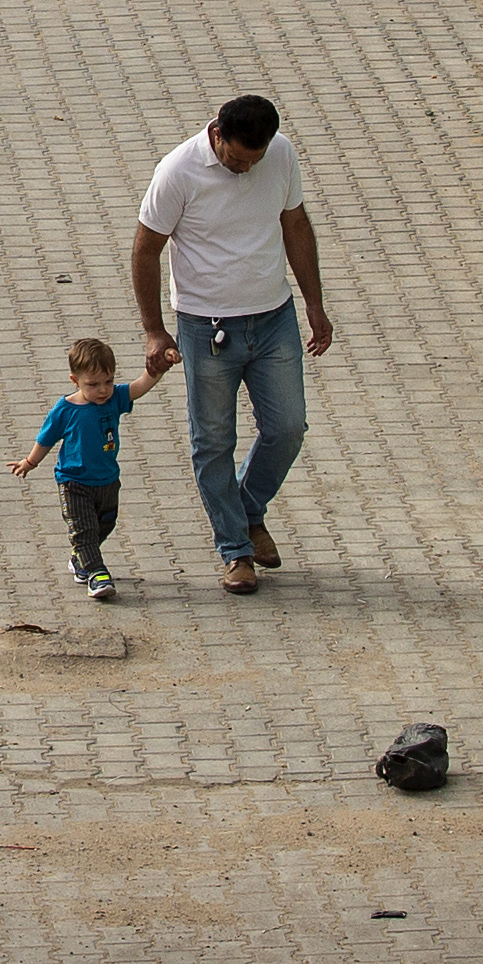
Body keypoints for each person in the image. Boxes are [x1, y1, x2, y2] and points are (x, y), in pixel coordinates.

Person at [133, 94, 334, 595]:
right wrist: (155, 329)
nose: (246, 169)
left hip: (273, 318)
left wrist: (314, 302)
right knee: (214, 441)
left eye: (255, 160)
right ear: (216, 135)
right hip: (207, 327)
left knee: (288, 427)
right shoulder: (178, 172)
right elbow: (145, 248)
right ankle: (236, 550)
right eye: (238, 159)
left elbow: (295, 224)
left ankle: (246, 511)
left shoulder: (280, 154)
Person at [10, 336, 135, 602]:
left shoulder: (115, 400)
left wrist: (156, 370)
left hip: (108, 480)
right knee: (83, 530)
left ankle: (81, 559)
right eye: (93, 384)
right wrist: (30, 462)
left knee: (105, 523)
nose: (102, 390)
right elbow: (46, 438)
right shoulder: (65, 410)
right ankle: (97, 574)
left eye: (108, 382)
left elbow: (140, 387)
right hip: (74, 482)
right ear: (74, 380)